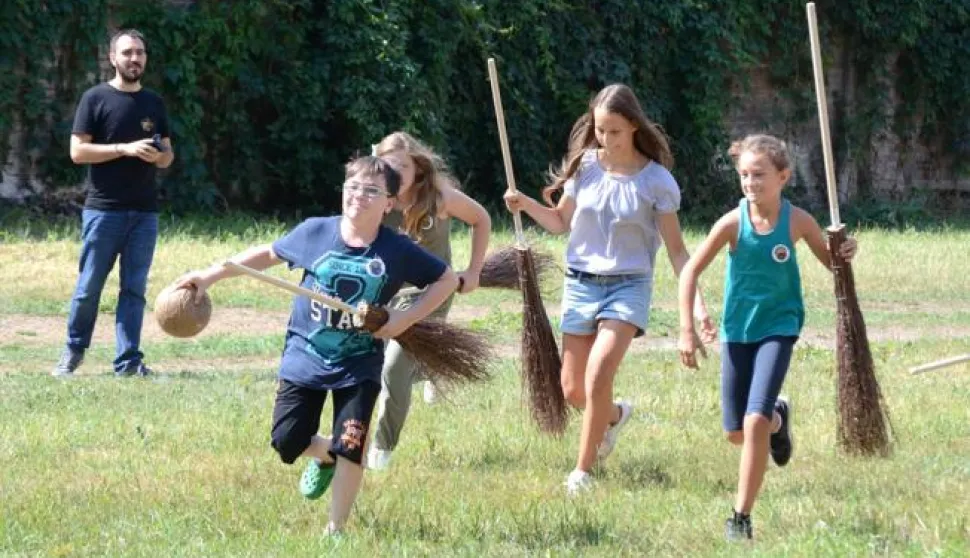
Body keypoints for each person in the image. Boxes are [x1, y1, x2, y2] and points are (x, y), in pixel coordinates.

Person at [175, 155, 458, 536]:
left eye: (371, 190)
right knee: (287, 441)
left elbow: (445, 279)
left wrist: (404, 318)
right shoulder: (316, 232)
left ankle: (335, 530)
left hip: (359, 361)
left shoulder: (397, 249)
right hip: (305, 353)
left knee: (353, 445)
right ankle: (327, 454)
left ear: (389, 203)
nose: (359, 195)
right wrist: (209, 276)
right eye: (352, 187)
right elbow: (267, 254)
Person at [503, 84, 716, 495]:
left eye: (614, 131)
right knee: (573, 390)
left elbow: (677, 252)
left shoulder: (657, 181)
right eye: (600, 130)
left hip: (628, 286)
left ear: (634, 126)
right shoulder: (585, 167)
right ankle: (614, 416)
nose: (605, 139)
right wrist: (525, 204)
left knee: (599, 373)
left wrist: (698, 307)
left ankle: (581, 473)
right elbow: (560, 223)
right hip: (580, 282)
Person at [677, 134, 858, 541]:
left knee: (753, 420)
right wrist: (687, 329)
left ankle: (740, 518)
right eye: (744, 174)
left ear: (783, 177)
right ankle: (779, 418)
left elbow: (833, 264)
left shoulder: (798, 221)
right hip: (738, 331)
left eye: (759, 174)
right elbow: (689, 271)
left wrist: (845, 251)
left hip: (780, 326)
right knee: (736, 433)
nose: (750, 182)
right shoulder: (731, 223)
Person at [366, 131, 491, 470]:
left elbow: (481, 219)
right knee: (376, 362)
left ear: (418, 168)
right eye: (388, 166)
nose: (396, 173)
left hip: (433, 292)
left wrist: (474, 271)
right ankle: (434, 365)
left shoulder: (439, 197)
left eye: (403, 167)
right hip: (387, 295)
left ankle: (381, 448)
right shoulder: (375, 197)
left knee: (394, 367)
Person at [53, 29, 175, 377]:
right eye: (127, 52)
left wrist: (157, 156)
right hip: (103, 211)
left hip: (144, 213)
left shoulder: (154, 102)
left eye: (140, 52)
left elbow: (168, 156)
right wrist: (124, 148)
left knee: (134, 290)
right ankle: (73, 351)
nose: (134, 58)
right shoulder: (95, 98)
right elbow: (78, 152)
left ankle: (128, 362)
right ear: (113, 58)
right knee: (89, 287)